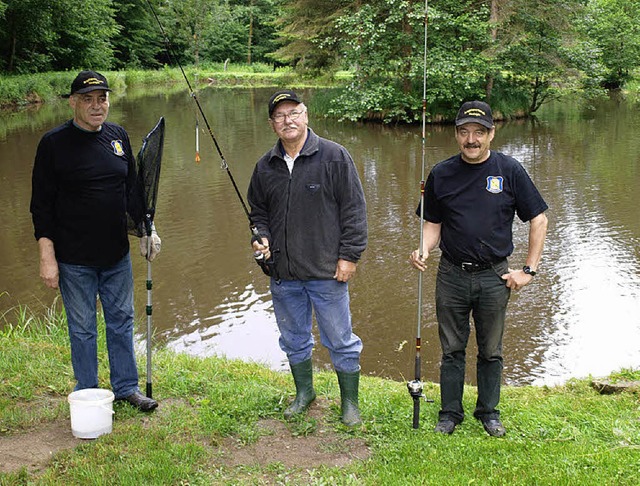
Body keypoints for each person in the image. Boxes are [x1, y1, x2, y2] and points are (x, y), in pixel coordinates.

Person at [409, 100, 548, 437]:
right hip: (451, 275)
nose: (471, 139)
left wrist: (528, 271)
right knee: (452, 349)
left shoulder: (510, 170)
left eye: (479, 132)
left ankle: (489, 412)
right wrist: (423, 249)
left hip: (494, 276)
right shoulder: (441, 173)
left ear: (491, 134)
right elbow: (432, 224)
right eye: (464, 132)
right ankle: (450, 414)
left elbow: (538, 218)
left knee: (491, 351)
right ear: (457, 134)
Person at [30, 70, 161, 412]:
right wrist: (47, 256)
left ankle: (126, 388)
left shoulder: (117, 136)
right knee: (84, 328)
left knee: (121, 321)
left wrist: (147, 229)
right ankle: (87, 392)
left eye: (102, 98)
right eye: (87, 99)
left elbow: (132, 190)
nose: (96, 105)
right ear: (72, 102)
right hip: (74, 259)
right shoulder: (53, 144)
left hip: (116, 255)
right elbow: (40, 206)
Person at [247, 90, 368, 426]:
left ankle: (350, 404)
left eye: (294, 112)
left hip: (326, 271)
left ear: (306, 115)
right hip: (283, 274)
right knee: (293, 338)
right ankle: (305, 393)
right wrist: (261, 235)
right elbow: (258, 211)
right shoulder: (265, 166)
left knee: (341, 340)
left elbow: (354, 210)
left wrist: (349, 256)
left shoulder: (334, 156)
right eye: (280, 116)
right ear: (273, 124)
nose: (288, 120)